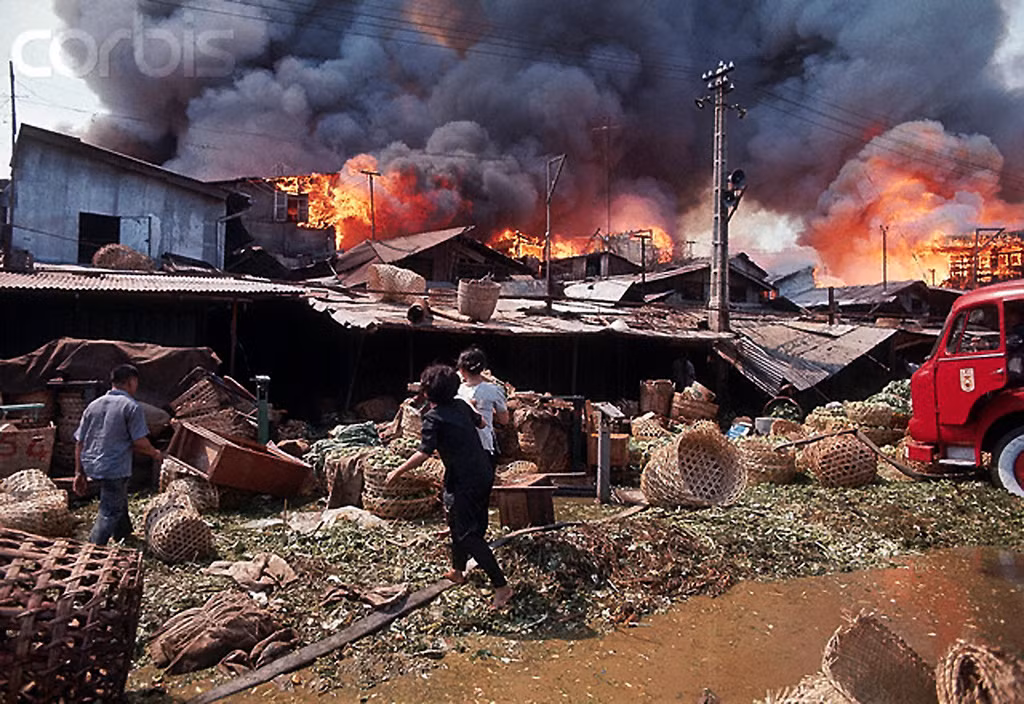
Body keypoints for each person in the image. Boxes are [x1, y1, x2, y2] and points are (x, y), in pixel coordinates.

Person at [386, 364, 512, 610]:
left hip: (466, 478)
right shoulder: (462, 406)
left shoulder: (433, 418)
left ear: (427, 392)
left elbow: (424, 453)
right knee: (456, 521)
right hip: (480, 472)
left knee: (468, 535)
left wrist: (397, 470)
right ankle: (457, 570)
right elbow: (483, 424)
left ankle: (502, 587)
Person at [73, 364, 162, 545]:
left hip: (92, 463)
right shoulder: (131, 406)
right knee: (109, 511)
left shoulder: (93, 406)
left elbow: (80, 442)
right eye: (136, 382)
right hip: (113, 466)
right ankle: (93, 548)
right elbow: (139, 442)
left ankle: (123, 534)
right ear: (131, 382)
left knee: (118, 497)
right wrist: (156, 453)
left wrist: (79, 472)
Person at [455, 347, 509, 468]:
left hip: (459, 445)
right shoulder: (494, 390)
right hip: (484, 444)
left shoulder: (456, 391)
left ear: (462, 370)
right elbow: (504, 420)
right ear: (483, 369)